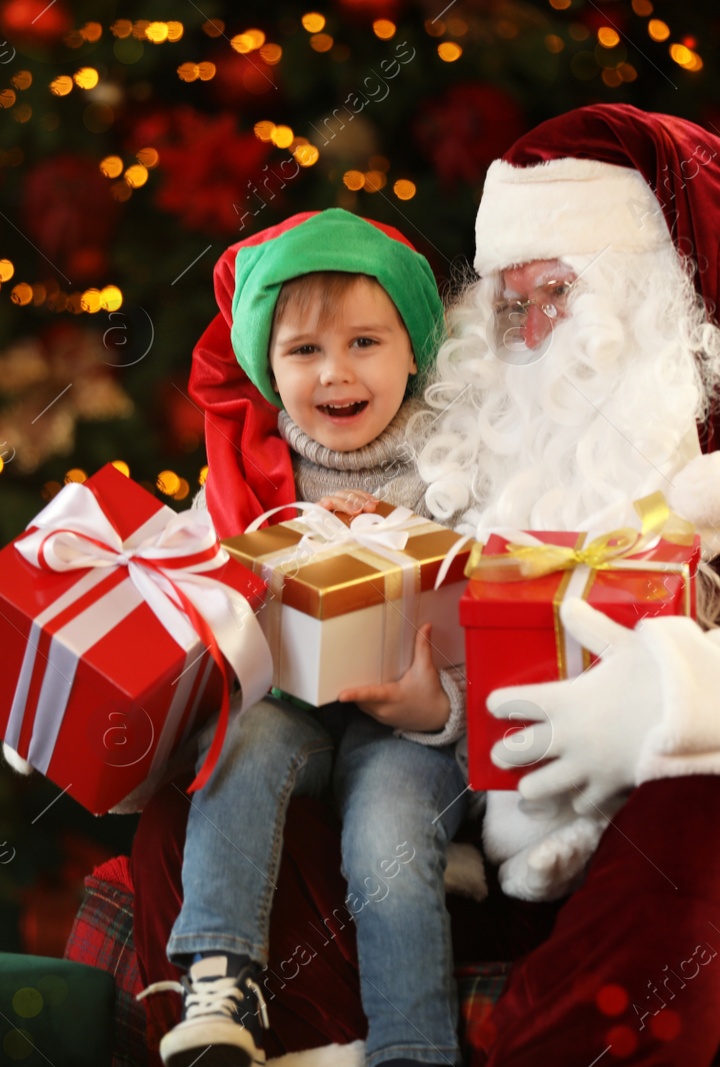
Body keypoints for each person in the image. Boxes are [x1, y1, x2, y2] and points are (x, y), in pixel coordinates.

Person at [132, 105, 720, 1066]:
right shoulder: (465, 449)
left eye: (556, 291)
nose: (529, 333)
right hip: (472, 842)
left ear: (664, 287)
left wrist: (686, 697)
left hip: (707, 867)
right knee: (207, 784)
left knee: (692, 807)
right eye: (506, 304)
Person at [138, 208, 471, 1067]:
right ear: (267, 364)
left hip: (407, 718)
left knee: (388, 832)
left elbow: (500, 621)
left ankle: (414, 1045)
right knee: (237, 742)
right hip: (289, 704)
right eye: (304, 352)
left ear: (412, 350)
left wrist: (437, 705)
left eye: (365, 342)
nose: (335, 373)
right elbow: (185, 578)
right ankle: (218, 979)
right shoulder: (247, 466)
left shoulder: (461, 464)